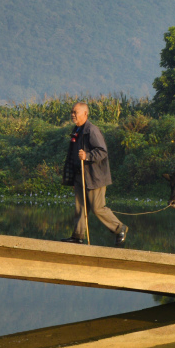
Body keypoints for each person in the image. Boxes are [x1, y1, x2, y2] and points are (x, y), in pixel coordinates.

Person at [61, 102, 128, 246]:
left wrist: (88, 155)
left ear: (85, 114)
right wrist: (74, 178)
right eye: (72, 112)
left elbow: (102, 151)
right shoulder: (77, 130)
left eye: (75, 112)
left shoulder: (92, 130)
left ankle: (119, 228)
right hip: (80, 176)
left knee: (98, 208)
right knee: (80, 207)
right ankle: (78, 236)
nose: (73, 115)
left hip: (94, 176)